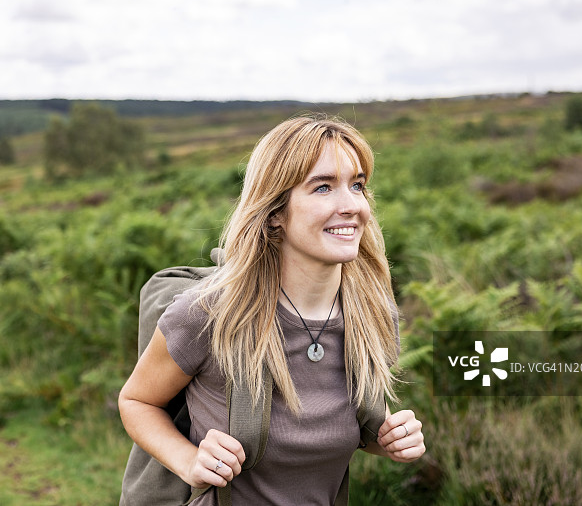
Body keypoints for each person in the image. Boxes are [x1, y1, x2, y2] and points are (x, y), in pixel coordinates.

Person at [118, 115, 425, 504]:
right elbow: (137, 401)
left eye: (357, 185)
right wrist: (188, 460)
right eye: (323, 187)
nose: (351, 205)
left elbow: (334, 430)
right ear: (276, 212)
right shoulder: (209, 315)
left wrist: (389, 440)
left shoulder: (374, 317)